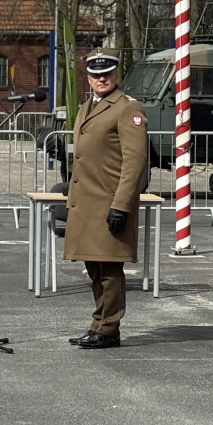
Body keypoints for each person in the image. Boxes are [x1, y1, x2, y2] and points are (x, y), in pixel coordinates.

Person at [64, 49, 148, 349]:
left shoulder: (127, 108)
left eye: (107, 73)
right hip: (87, 203)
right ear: (88, 77)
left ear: (117, 74)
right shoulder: (89, 106)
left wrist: (122, 205)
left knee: (110, 269)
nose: (102, 79)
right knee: (94, 268)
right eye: (96, 74)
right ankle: (98, 322)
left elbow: (134, 161)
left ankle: (109, 328)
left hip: (109, 202)